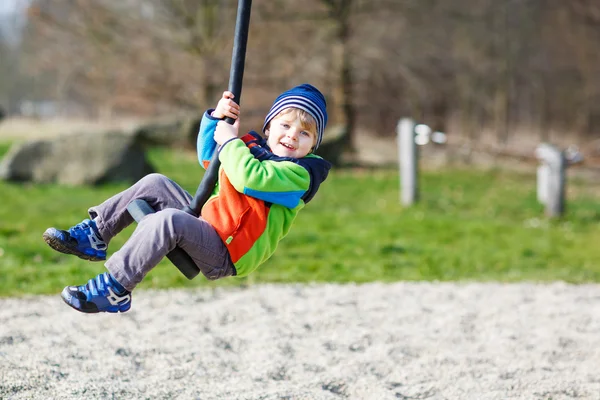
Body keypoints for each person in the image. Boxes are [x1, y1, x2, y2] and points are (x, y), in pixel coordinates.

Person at [43, 84, 332, 314]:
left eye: (304, 133)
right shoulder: (247, 147)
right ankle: (96, 235)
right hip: (209, 224)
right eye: (285, 126)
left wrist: (230, 142)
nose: (292, 136)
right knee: (155, 183)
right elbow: (209, 157)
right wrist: (216, 120)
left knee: (168, 221)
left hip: (227, 251)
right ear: (269, 127)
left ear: (312, 145)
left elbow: (251, 178)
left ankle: (115, 288)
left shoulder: (301, 175)